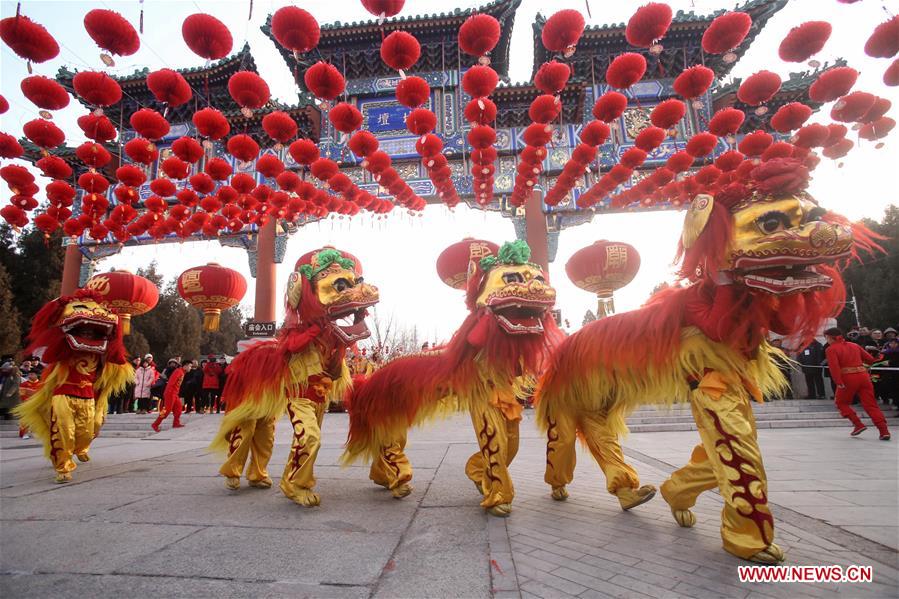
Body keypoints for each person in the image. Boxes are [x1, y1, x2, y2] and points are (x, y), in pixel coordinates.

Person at [824, 327, 891, 440]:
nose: (827, 340)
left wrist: (838, 381)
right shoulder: (854, 345)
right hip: (863, 376)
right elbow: (870, 359)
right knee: (871, 405)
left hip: (847, 378)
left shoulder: (831, 349)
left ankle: (858, 424)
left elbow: (834, 367)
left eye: (826, 337)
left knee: (841, 403)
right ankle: (884, 431)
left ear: (830, 337)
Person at [152, 361, 191, 432]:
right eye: (190, 366)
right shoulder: (178, 372)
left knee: (179, 407)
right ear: (185, 366)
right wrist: (169, 393)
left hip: (174, 394)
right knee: (167, 410)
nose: (190, 368)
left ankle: (176, 423)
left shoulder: (182, 372)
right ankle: (155, 424)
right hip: (170, 393)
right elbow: (171, 382)